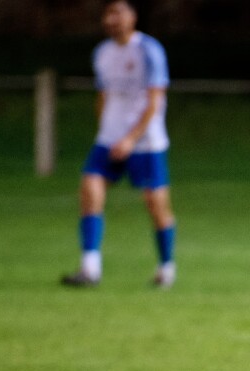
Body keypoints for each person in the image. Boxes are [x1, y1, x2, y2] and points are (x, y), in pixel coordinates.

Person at [62, 0, 177, 288]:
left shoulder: (148, 50)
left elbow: (155, 100)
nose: (113, 19)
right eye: (109, 13)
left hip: (146, 143)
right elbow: (104, 95)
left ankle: (166, 267)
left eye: (119, 12)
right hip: (108, 140)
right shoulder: (102, 53)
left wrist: (130, 138)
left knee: (155, 204)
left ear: (133, 17)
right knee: (90, 191)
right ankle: (90, 268)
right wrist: (106, 130)